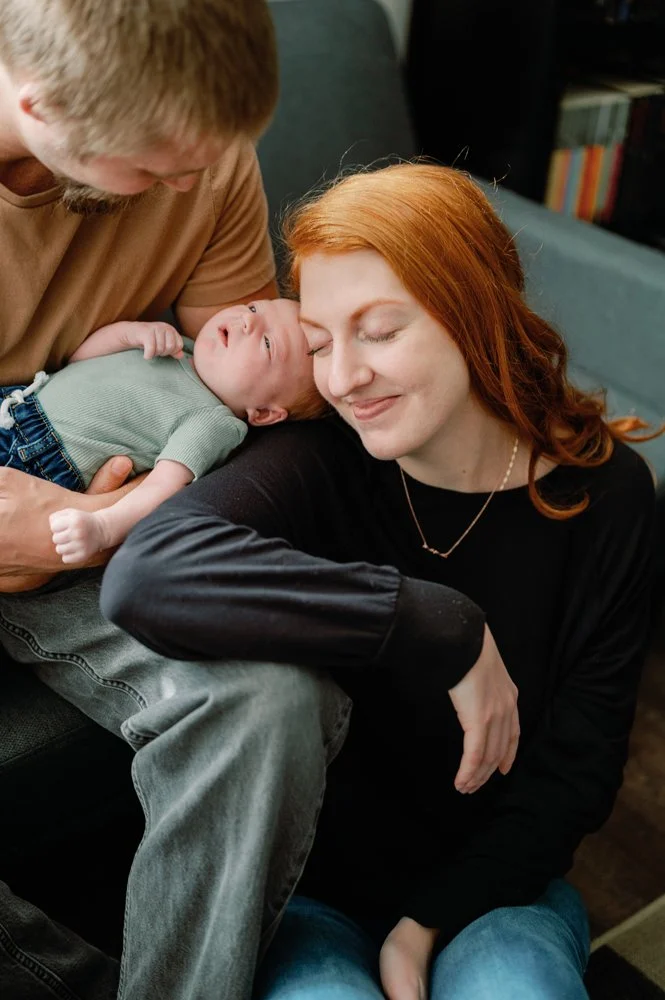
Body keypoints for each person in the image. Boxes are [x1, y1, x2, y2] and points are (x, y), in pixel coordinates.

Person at [0, 3, 517, 998]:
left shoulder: (204, 155)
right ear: (42, 108)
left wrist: (128, 525)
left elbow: (268, 420)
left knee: (275, 701)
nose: (190, 186)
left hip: (104, 530)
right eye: (155, 170)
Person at [100, 163, 658, 1000]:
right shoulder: (320, 455)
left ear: (475, 313)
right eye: (320, 343)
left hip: (498, 893)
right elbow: (146, 574)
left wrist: (424, 926)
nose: (342, 378)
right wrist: (433, 623)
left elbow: (579, 769)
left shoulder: (607, 495)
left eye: (380, 332)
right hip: (315, 895)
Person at [0, 300, 321, 564]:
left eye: (267, 343)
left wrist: (103, 527)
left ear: (263, 413)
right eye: (254, 308)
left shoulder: (213, 422)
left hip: (35, 458)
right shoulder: (181, 347)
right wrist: (129, 335)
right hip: (16, 404)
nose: (248, 321)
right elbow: (79, 360)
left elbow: (161, 487)